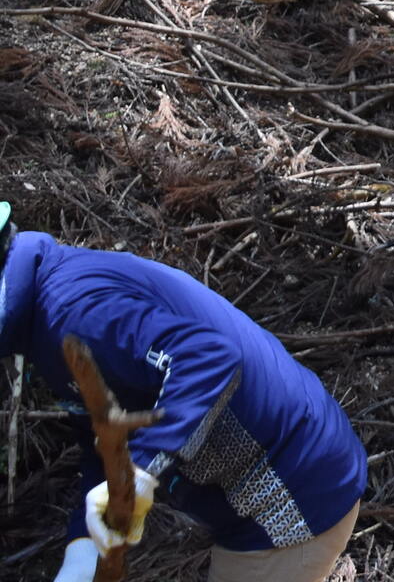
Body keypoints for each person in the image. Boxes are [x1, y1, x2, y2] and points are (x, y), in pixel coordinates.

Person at [0, 203, 366, 582]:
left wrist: (136, 474)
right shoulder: (46, 317)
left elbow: (209, 358)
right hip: (253, 497)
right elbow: (106, 432)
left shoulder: (73, 310)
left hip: (292, 491)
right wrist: (82, 548)